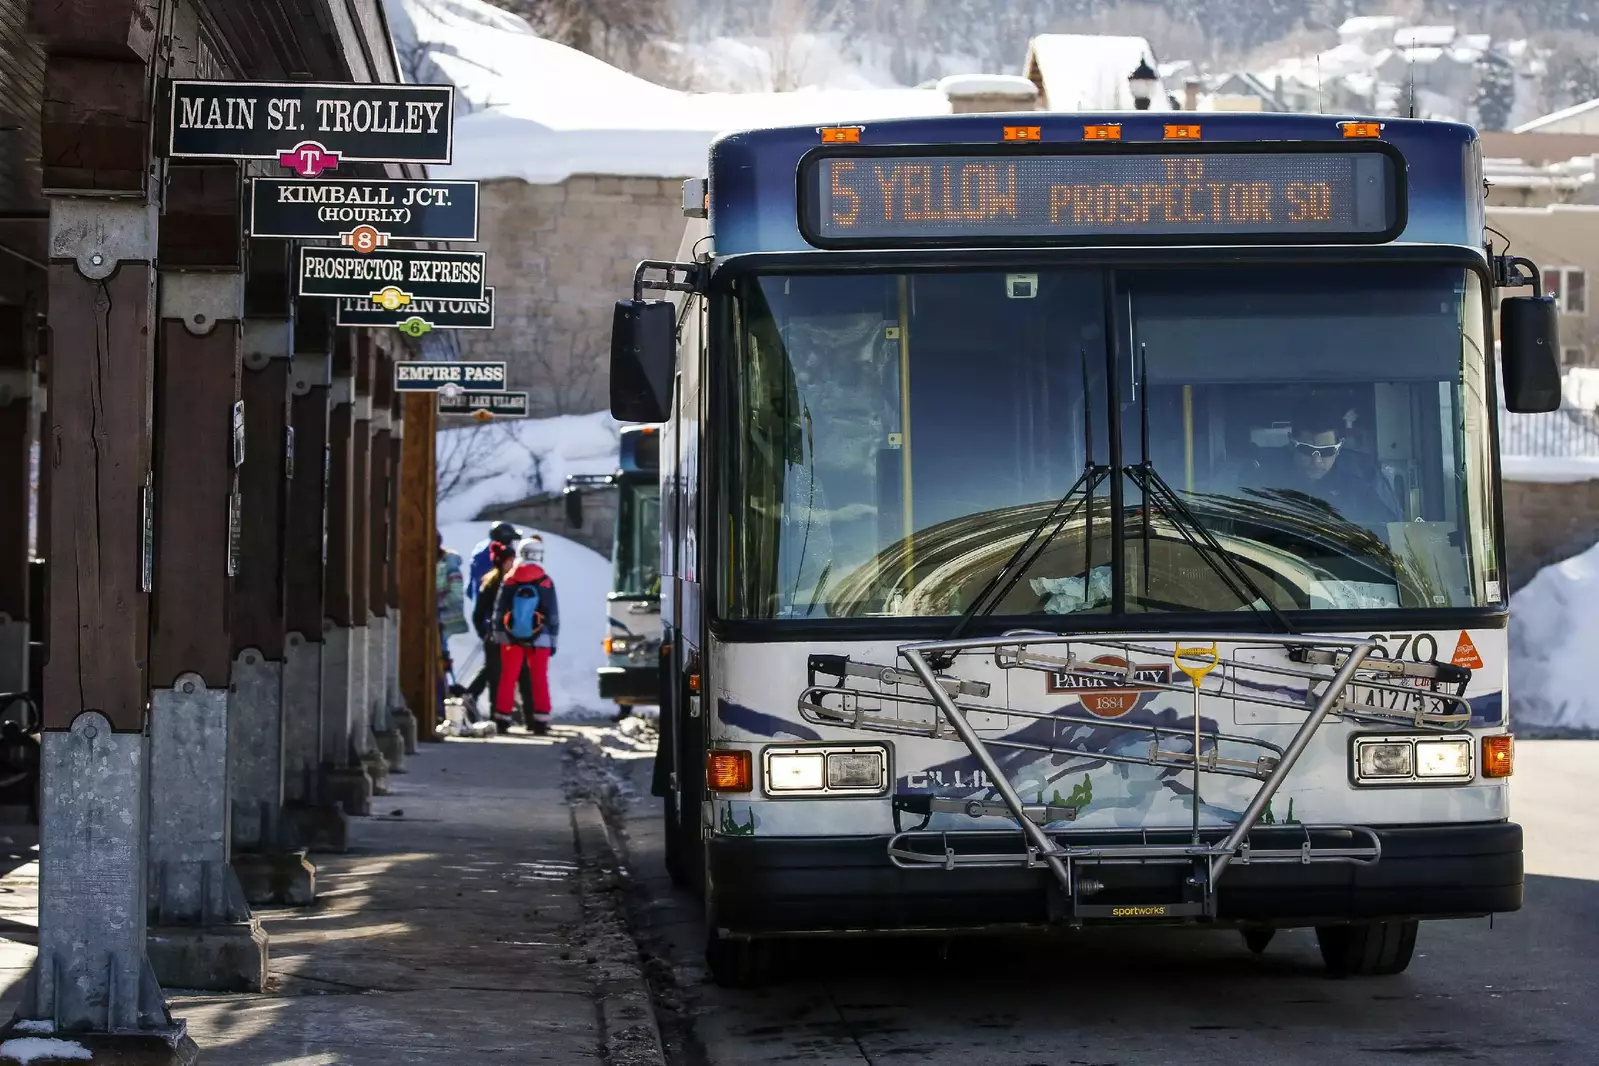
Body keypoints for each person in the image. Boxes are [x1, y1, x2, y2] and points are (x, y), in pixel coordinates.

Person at [1269, 405, 1400, 531]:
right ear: (1291, 444)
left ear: (1339, 448)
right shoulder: (1267, 485)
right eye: (1307, 450)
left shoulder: (1360, 490)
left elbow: (1386, 536)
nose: (1317, 461)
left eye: (1327, 451)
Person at [494, 535, 559, 736]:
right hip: (541, 637)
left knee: (508, 676)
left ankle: (502, 718)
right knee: (539, 677)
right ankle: (541, 719)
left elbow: (499, 609)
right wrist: (553, 640)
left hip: (511, 635)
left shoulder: (510, 579)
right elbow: (552, 613)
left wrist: (499, 633)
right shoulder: (546, 581)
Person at [464, 540, 517, 722]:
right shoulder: (491, 583)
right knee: (495, 675)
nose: (513, 564)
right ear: (502, 562)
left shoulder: (511, 583)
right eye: (510, 560)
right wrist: (484, 632)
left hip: (508, 635)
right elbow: (478, 613)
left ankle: (471, 695)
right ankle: (495, 713)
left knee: (495, 671)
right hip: (494, 634)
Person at [467, 522, 520, 607]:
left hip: (480, 608)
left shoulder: (479, 553)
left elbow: (469, 590)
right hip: (492, 610)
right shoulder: (499, 560)